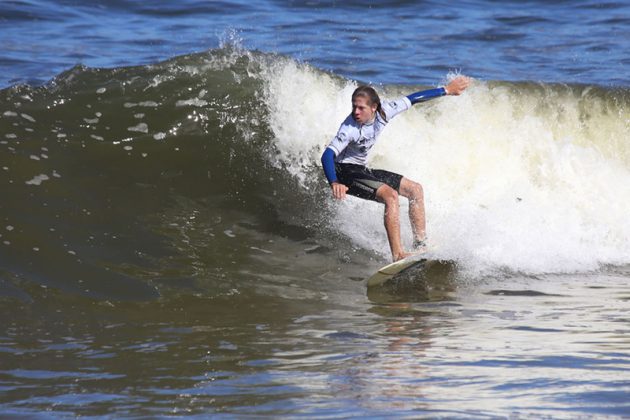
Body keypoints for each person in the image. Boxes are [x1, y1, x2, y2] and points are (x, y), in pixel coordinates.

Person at [321, 76, 470, 262]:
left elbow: (414, 98)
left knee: (415, 189)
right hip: (344, 172)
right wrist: (334, 182)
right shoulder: (349, 128)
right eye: (354, 107)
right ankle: (398, 254)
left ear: (374, 107)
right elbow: (327, 155)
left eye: (361, 108)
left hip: (360, 169)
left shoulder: (385, 111)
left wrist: (446, 90)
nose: (356, 112)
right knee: (390, 196)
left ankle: (420, 243)